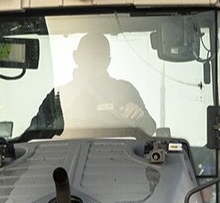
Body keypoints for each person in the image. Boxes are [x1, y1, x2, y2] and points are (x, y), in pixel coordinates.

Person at [23, 32, 156, 138]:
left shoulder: (125, 90)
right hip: (66, 160)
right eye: (89, 55)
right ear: (76, 57)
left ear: (107, 61)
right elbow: (34, 136)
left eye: (99, 56)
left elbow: (150, 128)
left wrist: (140, 117)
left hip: (119, 160)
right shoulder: (60, 95)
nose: (93, 61)